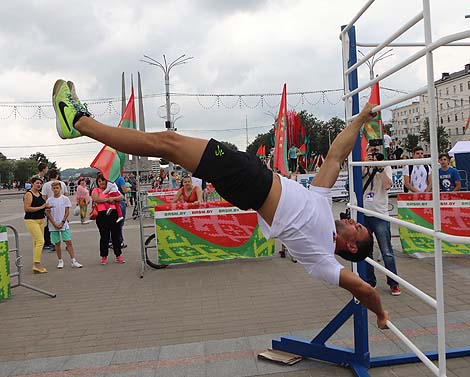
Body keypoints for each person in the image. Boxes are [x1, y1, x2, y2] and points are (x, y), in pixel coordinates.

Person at [52, 79, 389, 328]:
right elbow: (335, 155)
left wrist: (381, 313)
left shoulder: (322, 261)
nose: (353, 221)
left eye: (357, 228)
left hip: (250, 182)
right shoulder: (320, 201)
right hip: (251, 179)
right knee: (168, 144)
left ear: (348, 244)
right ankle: (80, 122)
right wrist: (359, 120)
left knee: (167, 143)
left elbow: (363, 289)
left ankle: (78, 122)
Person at [362, 145, 400, 296]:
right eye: (370, 151)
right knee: (366, 251)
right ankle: (370, 282)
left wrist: (380, 168)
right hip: (363, 212)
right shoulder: (362, 165)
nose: (373, 153)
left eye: (376, 150)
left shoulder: (385, 166)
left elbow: (387, 185)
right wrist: (366, 163)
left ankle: (394, 283)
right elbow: (354, 183)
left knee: (387, 251)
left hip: (380, 215)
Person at [45, 181, 83, 269]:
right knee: (57, 243)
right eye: (54, 188)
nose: (55, 190)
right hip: (53, 225)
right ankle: (60, 260)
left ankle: (73, 260)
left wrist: (62, 222)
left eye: (57, 188)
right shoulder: (49, 200)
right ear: (51, 189)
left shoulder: (65, 199)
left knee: (68, 241)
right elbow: (48, 213)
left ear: (60, 188)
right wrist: (54, 223)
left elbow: (67, 211)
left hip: (64, 224)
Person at [91, 173, 126, 265]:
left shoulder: (111, 189)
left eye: (103, 180)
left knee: (116, 235)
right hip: (102, 215)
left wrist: (113, 198)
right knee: (104, 236)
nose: (101, 182)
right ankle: (104, 256)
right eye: (99, 181)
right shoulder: (96, 190)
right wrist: (108, 200)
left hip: (113, 214)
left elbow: (121, 196)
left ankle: (118, 255)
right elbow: (96, 199)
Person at [23, 176, 52, 273]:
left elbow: (42, 206)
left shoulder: (39, 194)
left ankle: (36, 264)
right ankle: (37, 264)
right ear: (32, 183)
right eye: (37, 183)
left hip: (40, 220)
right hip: (31, 220)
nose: (39, 185)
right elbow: (27, 208)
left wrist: (47, 206)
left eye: (40, 183)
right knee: (40, 241)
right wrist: (41, 207)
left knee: (36, 242)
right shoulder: (29, 194)